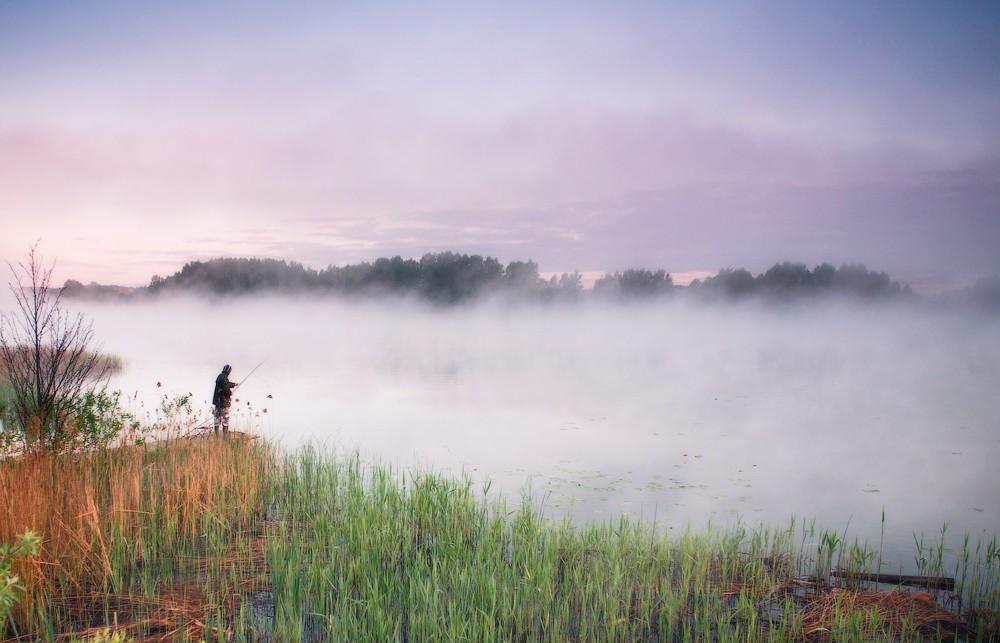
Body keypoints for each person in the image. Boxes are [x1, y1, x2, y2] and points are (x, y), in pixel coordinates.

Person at [212, 364, 238, 435]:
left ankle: (216, 436)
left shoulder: (219, 376)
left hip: (217, 403)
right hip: (223, 403)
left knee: (216, 420)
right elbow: (226, 389)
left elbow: (225, 384)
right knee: (225, 421)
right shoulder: (225, 378)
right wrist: (230, 393)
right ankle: (225, 437)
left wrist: (234, 384)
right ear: (228, 371)